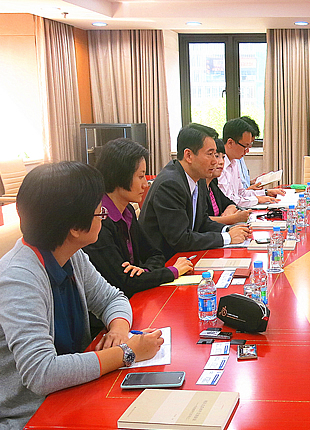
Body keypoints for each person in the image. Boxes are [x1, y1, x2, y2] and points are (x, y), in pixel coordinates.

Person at [0, 162, 163, 428]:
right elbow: (41, 373)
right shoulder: (19, 278)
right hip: (32, 415)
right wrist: (127, 352)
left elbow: (113, 298)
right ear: (75, 227)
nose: (103, 215)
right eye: (99, 211)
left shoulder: (71, 255)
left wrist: (119, 330)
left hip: (77, 392)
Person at [83, 138, 194, 300]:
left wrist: (144, 272)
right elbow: (124, 281)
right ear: (119, 176)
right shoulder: (99, 220)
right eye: (141, 176)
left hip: (138, 296)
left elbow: (155, 254)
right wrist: (173, 271)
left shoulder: (127, 209)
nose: (145, 184)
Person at [140, 125, 250, 260]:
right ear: (189, 155)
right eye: (210, 154)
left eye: (215, 154)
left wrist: (228, 230)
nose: (215, 161)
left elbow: (202, 222)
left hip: (186, 256)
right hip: (164, 261)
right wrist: (227, 238)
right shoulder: (170, 184)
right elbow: (180, 239)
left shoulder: (199, 178)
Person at [218, 118, 285, 207]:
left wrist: (266, 193)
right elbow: (229, 200)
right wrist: (257, 199)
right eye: (245, 146)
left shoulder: (234, 162)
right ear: (230, 143)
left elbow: (241, 193)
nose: (247, 151)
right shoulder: (219, 165)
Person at [201, 138, 252, 225]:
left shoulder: (212, 183)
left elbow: (230, 203)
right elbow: (201, 221)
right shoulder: (198, 187)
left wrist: (230, 209)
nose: (221, 162)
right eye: (216, 156)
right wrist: (232, 219)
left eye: (223, 157)